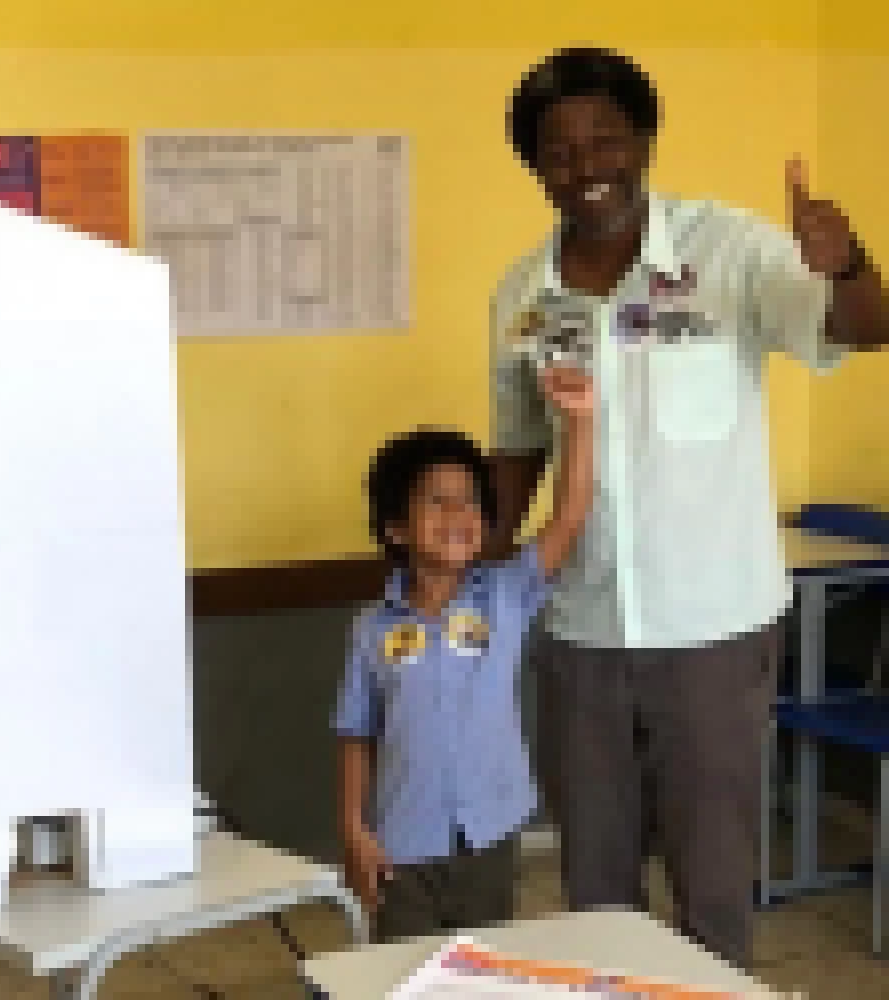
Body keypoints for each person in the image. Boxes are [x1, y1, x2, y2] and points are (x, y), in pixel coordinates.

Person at [489, 46, 889, 972]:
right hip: (578, 629)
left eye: (607, 140)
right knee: (594, 889)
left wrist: (851, 264)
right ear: (536, 167)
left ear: (645, 143)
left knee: (712, 887)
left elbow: (861, 327)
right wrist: (479, 573)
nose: (588, 167)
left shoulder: (731, 252)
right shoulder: (523, 293)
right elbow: (518, 441)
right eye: (561, 150)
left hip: (712, 627)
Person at [333, 364, 594, 943]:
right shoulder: (371, 630)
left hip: (490, 835)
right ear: (396, 528)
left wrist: (579, 423)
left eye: (471, 502)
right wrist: (354, 829)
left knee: (481, 972)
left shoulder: (505, 594)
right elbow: (356, 735)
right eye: (438, 502)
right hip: (403, 843)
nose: (461, 516)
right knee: (406, 972)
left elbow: (569, 515)